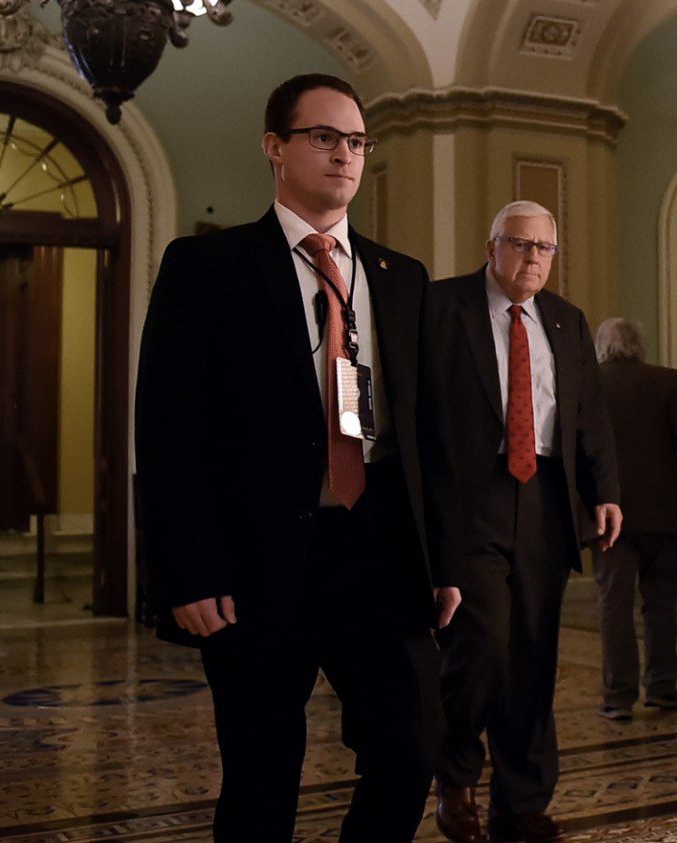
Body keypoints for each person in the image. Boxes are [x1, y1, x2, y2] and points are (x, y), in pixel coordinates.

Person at [135, 73, 456, 842]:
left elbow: (426, 434)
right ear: (275, 148)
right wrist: (185, 570)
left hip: (377, 549)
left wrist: (441, 558)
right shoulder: (207, 268)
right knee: (261, 778)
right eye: (324, 137)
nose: (344, 154)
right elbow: (169, 428)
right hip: (257, 562)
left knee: (411, 753)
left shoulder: (400, 277)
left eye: (355, 141)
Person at [419, 200, 622, 843]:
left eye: (544, 249)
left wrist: (605, 491)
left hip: (543, 502)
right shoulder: (442, 309)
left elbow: (588, 417)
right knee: (483, 643)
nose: (533, 258)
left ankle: (522, 799)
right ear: (491, 246)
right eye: (520, 244)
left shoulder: (566, 321)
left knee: (533, 654)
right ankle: (455, 775)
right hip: (470, 498)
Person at [591, 317, 677, 721]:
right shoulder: (668, 381)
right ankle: (663, 688)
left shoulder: (590, 383)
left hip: (608, 514)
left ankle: (619, 695)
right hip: (664, 513)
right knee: (662, 603)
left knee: (614, 605)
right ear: (639, 346)